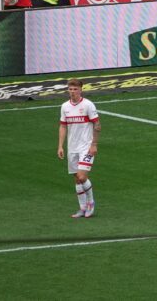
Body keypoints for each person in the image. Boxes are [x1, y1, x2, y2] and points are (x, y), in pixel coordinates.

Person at [57, 78, 101, 219]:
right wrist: (60, 146)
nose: (72, 92)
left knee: (82, 177)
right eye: (70, 89)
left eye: (75, 89)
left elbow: (97, 125)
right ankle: (82, 208)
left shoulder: (88, 105)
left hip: (86, 147)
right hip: (72, 148)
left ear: (81, 90)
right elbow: (63, 126)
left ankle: (91, 203)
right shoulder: (65, 107)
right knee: (77, 179)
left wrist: (94, 144)